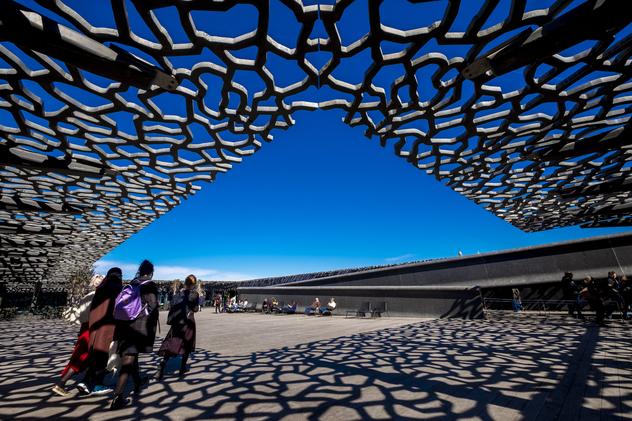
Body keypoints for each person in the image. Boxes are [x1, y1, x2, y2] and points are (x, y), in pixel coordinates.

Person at [110, 260, 159, 410]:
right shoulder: (149, 285)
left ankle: (137, 382)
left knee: (131, 356)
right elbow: (153, 305)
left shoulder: (132, 283)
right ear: (150, 272)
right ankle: (117, 397)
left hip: (124, 326)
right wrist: (142, 316)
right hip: (136, 327)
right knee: (128, 359)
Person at [51, 275, 103, 397]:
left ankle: (83, 382)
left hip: (84, 329)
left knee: (79, 357)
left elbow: (81, 315)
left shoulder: (87, 296)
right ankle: (61, 384)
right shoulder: (99, 297)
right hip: (92, 330)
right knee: (83, 359)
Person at [79, 268, 123, 395]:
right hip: (107, 328)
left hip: (94, 328)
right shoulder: (116, 288)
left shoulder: (101, 288)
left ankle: (85, 382)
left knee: (94, 356)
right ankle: (96, 385)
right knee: (102, 357)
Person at [156, 274, 199, 380]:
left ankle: (162, 364)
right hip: (188, 322)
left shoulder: (177, 295)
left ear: (185, 282)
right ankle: (182, 368)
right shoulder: (194, 294)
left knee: (172, 343)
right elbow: (196, 308)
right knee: (187, 344)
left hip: (177, 323)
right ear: (194, 284)